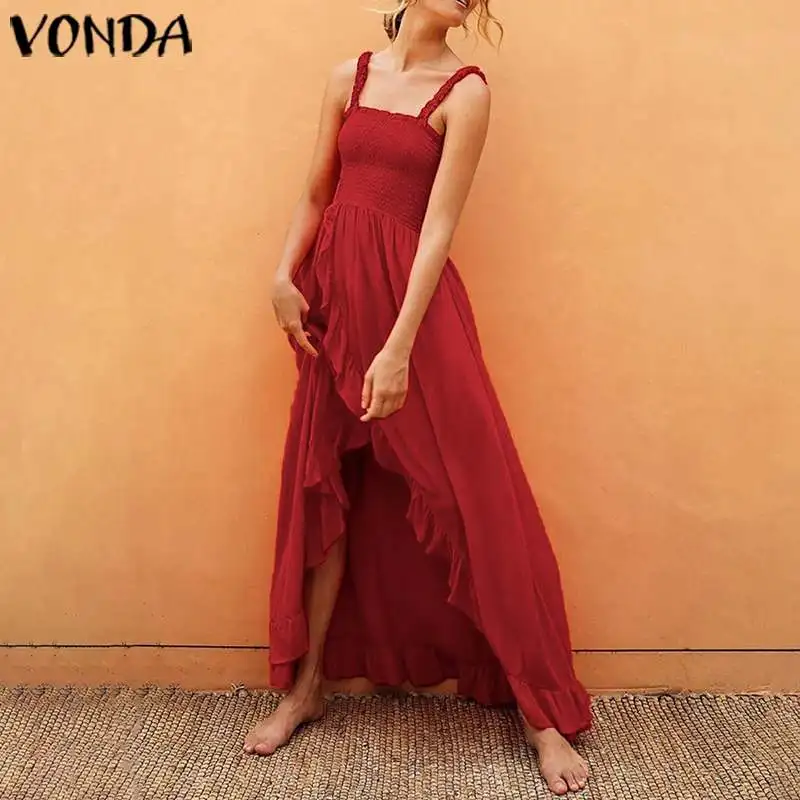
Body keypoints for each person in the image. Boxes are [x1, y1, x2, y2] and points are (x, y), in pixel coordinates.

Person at [243, 0, 592, 794]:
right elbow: (317, 193)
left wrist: (399, 348)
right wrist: (282, 276)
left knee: (471, 499)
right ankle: (306, 690)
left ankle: (541, 715)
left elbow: (437, 229)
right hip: (335, 303)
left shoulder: (466, 92)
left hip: (412, 316)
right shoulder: (349, 77)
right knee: (329, 487)